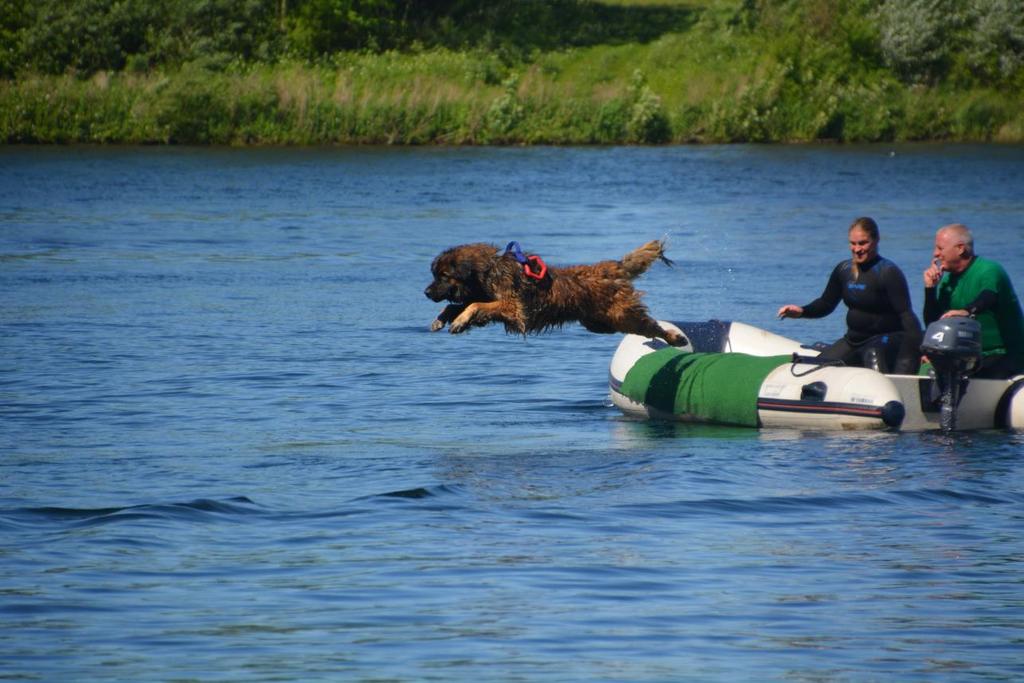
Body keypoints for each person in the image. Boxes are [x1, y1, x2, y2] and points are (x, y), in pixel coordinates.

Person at [777, 217, 923, 374]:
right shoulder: (844, 270)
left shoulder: (888, 272)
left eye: (863, 243)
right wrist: (801, 311)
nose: (857, 249)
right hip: (853, 341)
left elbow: (907, 315)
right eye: (853, 243)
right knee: (812, 371)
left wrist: (920, 347)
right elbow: (826, 303)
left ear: (876, 240)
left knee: (872, 357)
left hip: (885, 341)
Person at [922, 223, 1024, 379]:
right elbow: (933, 323)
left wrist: (967, 311)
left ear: (960, 248)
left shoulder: (989, 270)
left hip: (1004, 353)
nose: (935, 254)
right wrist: (930, 289)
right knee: (925, 367)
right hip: (967, 355)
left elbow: (989, 296)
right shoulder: (947, 283)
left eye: (940, 248)